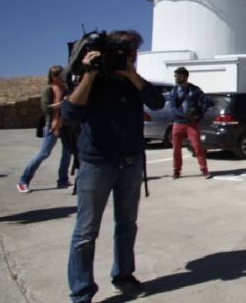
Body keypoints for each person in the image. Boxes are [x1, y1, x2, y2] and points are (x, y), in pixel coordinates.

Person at [62, 30, 165, 302]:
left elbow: (157, 101)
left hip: (131, 162)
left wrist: (131, 74)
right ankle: (82, 292)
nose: (129, 59)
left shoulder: (134, 81)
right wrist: (90, 74)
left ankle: (123, 275)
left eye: (132, 55)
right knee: (86, 232)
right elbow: (70, 113)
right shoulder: (92, 79)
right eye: (124, 54)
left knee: (127, 224)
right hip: (96, 164)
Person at [17, 65, 73, 192]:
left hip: (65, 125)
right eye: (58, 75)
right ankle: (23, 180)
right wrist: (62, 103)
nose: (61, 77)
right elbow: (45, 108)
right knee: (43, 153)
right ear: (52, 77)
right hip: (52, 125)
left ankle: (63, 180)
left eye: (62, 74)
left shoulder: (67, 88)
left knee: (67, 153)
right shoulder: (48, 90)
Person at [169, 67, 211, 179]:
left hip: (192, 123)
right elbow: (172, 107)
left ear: (184, 76)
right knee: (176, 148)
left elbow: (206, 102)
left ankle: (204, 169)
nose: (176, 78)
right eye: (175, 75)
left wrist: (199, 115)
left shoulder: (195, 90)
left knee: (197, 146)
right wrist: (183, 115)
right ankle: (176, 170)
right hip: (178, 123)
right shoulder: (174, 90)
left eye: (177, 75)